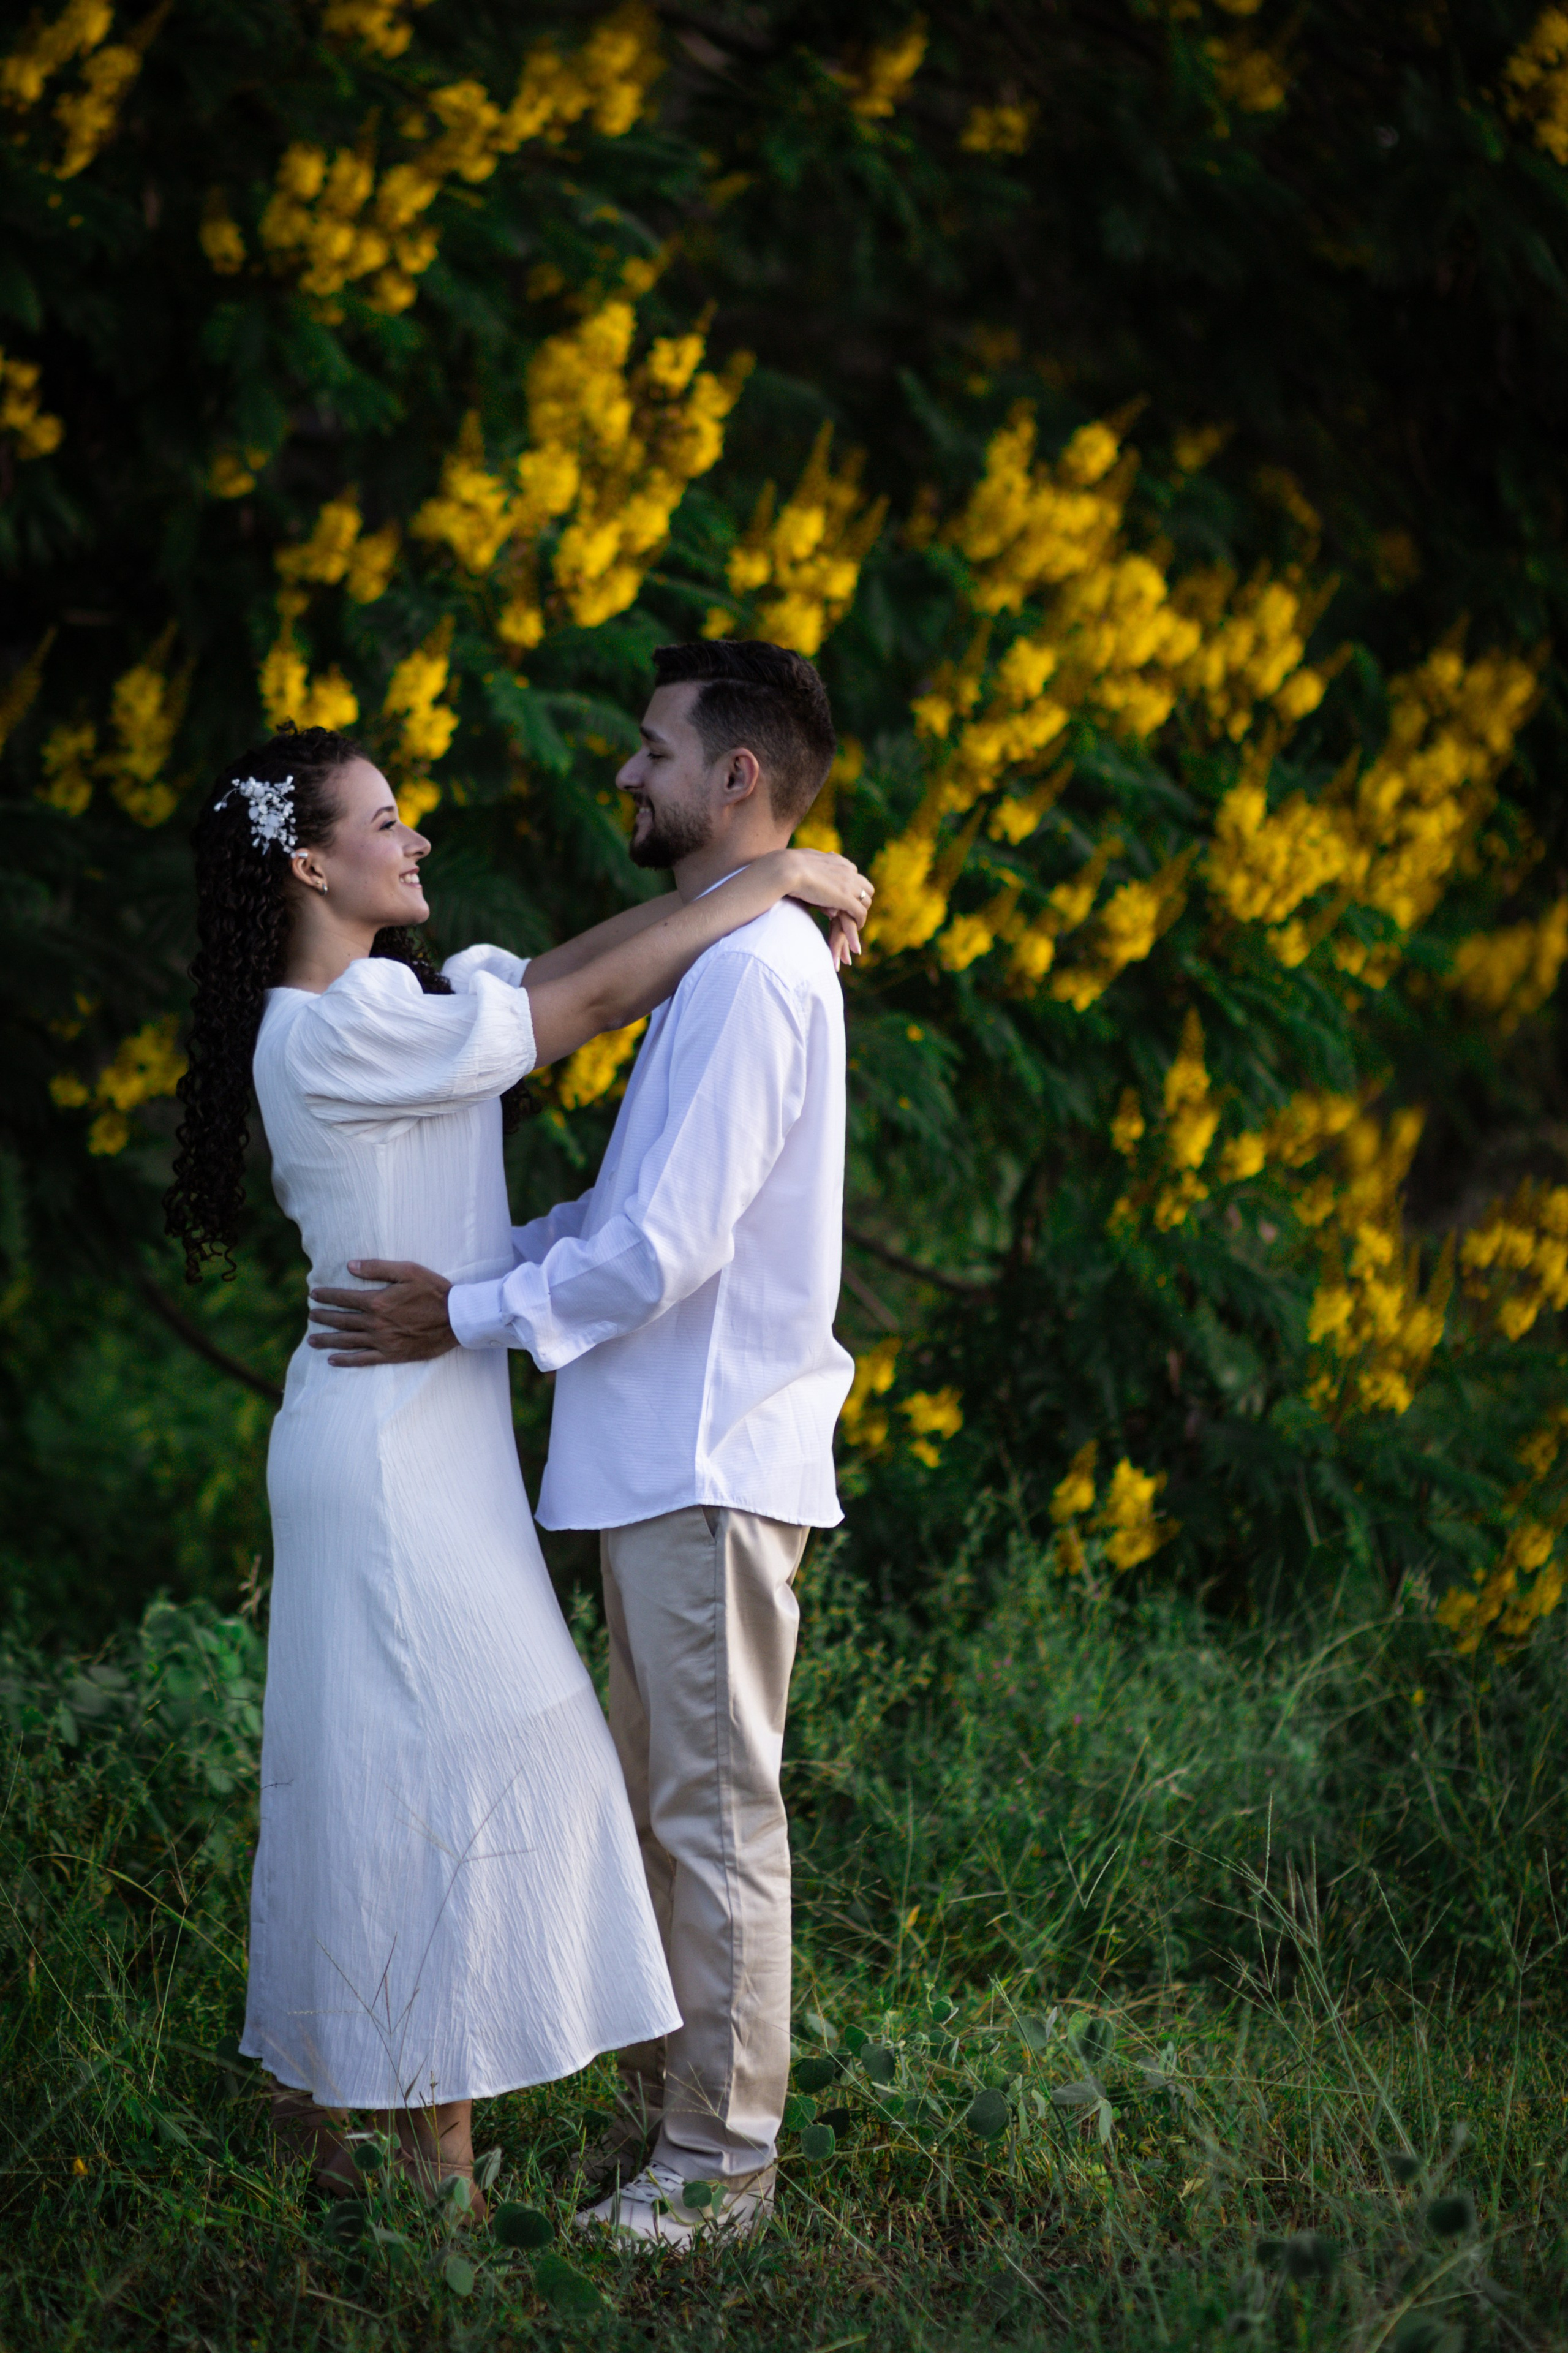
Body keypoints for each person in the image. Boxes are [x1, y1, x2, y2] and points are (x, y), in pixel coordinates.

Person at [162, 717, 873, 2208]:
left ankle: (338, 2116)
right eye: (385, 821)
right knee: (458, 1770)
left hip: (425, 1435)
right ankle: (431, 2176)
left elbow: (564, 972)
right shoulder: (329, 1028)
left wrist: (749, 889)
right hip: (385, 1445)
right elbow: (587, 1001)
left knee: (421, 1768)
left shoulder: (390, 1002)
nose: (415, 837)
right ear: (310, 867)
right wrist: (773, 877)